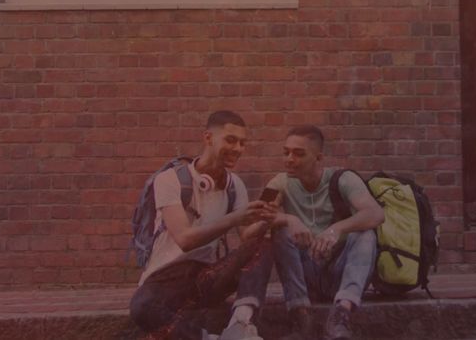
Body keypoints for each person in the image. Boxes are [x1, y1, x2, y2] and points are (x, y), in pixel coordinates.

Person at [129, 110, 277, 340]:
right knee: (142, 307)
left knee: (262, 246)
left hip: (206, 276)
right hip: (166, 279)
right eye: (230, 140)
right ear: (208, 138)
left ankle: (241, 324)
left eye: (242, 143)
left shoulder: (234, 185)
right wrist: (236, 217)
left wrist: (267, 221)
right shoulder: (170, 179)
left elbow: (247, 237)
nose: (238, 148)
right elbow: (185, 239)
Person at [263, 125, 385, 340]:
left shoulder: (344, 179)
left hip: (341, 274)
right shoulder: (280, 182)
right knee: (279, 233)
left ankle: (341, 315)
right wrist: (287, 218)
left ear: (318, 157)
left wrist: (337, 228)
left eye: (299, 154)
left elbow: (376, 214)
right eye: (286, 152)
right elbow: (254, 223)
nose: (289, 159)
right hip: (307, 277)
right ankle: (301, 317)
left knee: (366, 235)